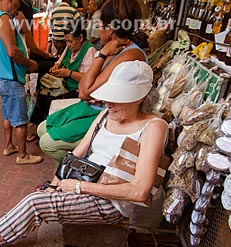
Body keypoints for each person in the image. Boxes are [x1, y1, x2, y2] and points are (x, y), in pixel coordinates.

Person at [0, 61, 168, 247]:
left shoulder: (153, 127)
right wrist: (55, 184)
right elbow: (77, 154)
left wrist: (78, 187)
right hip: (86, 180)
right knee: (38, 196)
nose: (108, 104)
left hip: (111, 202)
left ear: (140, 98)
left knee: (35, 203)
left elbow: (140, 192)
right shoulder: (106, 114)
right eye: (108, 98)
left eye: (117, 99)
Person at [38, 0, 150, 165]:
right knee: (42, 128)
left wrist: (102, 54)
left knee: (47, 143)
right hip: (93, 107)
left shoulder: (128, 54)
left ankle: (77, 167)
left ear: (109, 29)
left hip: (106, 115)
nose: (96, 30)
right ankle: (68, 168)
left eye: (98, 25)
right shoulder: (116, 50)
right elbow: (86, 89)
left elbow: (84, 92)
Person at [0, 0, 43, 165]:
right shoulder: (4, 18)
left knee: (7, 114)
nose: (16, 11)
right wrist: (30, 64)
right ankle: (23, 155)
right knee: (20, 119)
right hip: (11, 78)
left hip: (1, 76)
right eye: (17, 6)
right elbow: (12, 52)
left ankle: (9, 146)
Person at [26, 22, 95, 142]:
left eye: (71, 41)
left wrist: (69, 73)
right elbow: (59, 61)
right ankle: (38, 128)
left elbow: (89, 77)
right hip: (64, 84)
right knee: (42, 94)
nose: (68, 45)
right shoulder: (69, 48)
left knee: (51, 99)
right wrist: (56, 67)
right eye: (66, 41)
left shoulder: (90, 50)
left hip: (77, 89)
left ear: (80, 38)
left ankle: (51, 130)